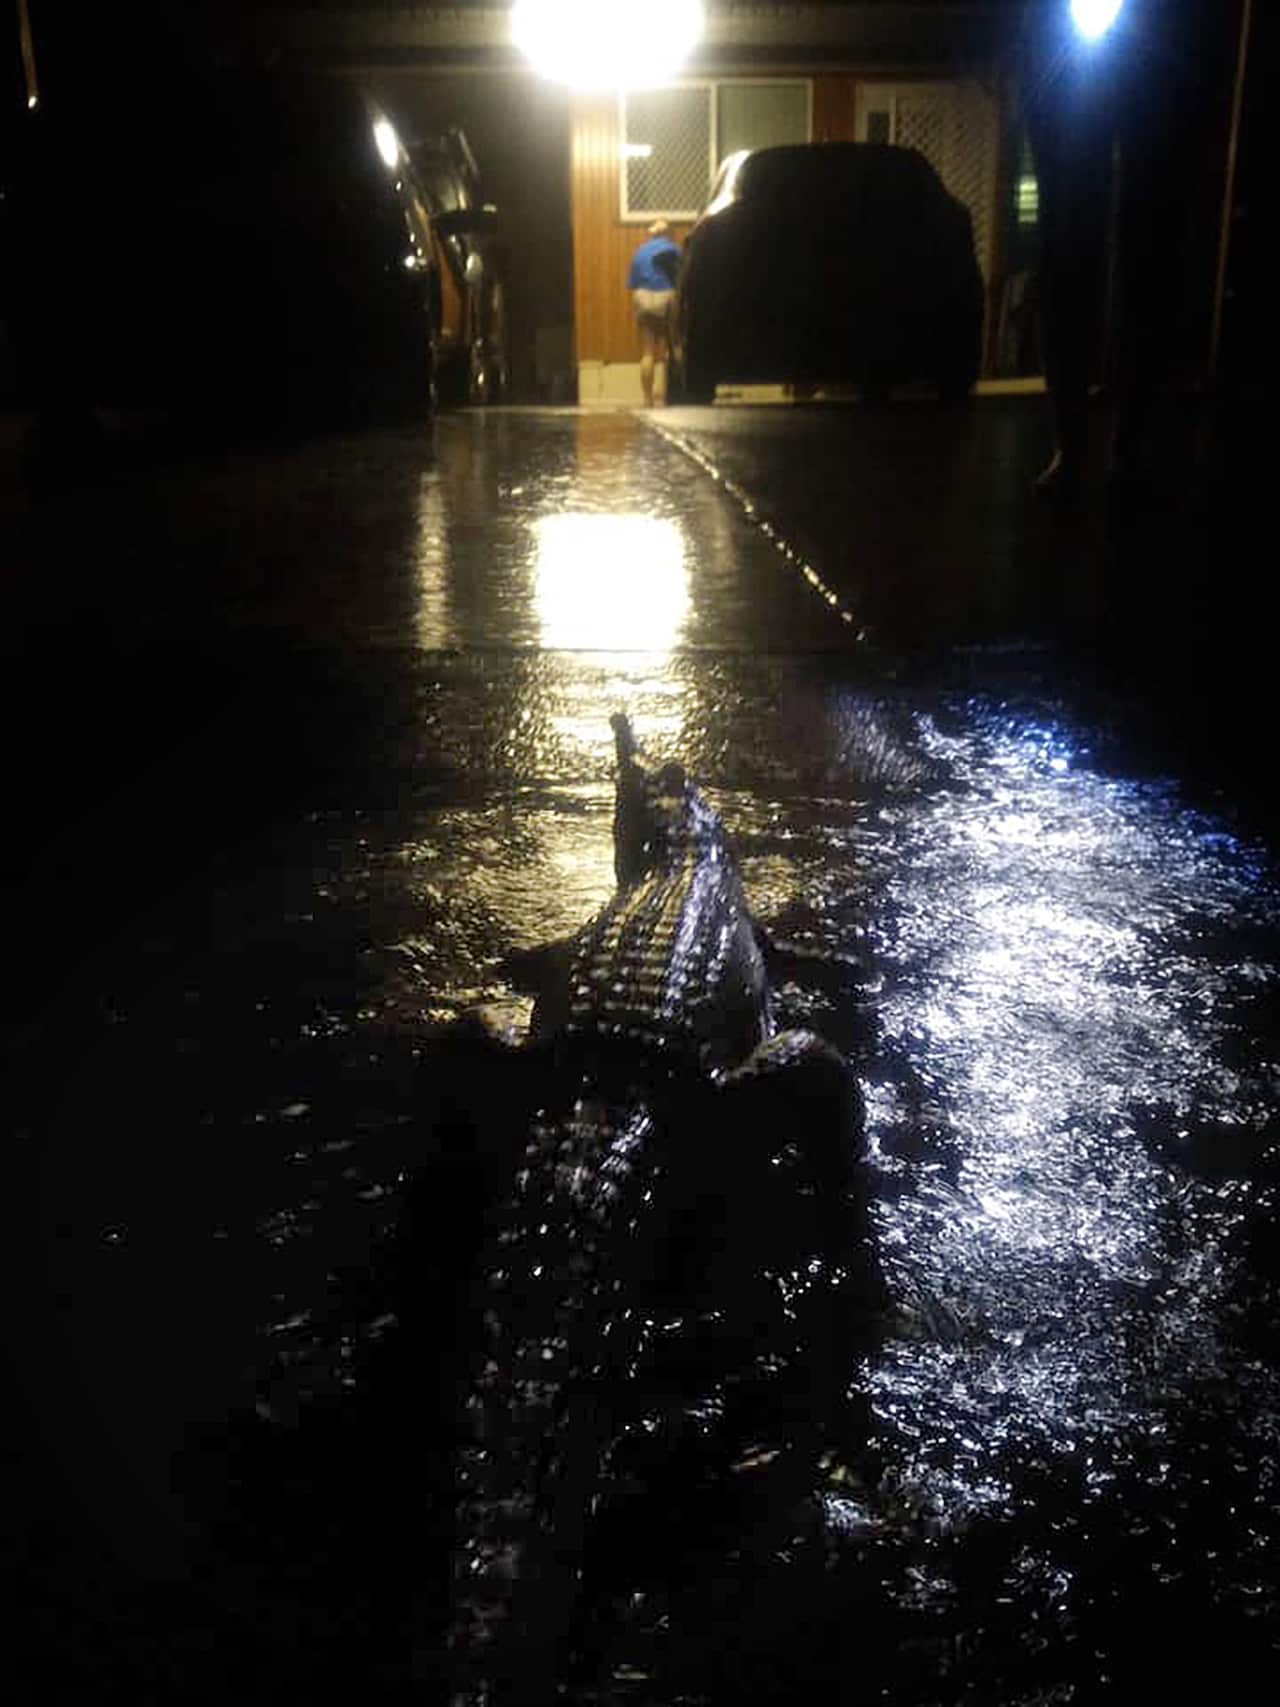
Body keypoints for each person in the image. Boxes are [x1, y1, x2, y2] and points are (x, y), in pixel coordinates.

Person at [1020, 0, 1228, 503]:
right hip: (1088, 46)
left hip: (1154, 49)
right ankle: (1081, 444)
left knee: (1143, 243)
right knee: (1077, 242)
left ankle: (1123, 442)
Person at [628, 219, 681, 408]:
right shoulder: (675, 250)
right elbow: (681, 278)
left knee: (648, 351)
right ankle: (674, 395)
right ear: (669, 233)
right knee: (673, 346)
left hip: (644, 297)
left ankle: (647, 399)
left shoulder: (640, 252)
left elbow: (632, 284)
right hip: (667, 296)